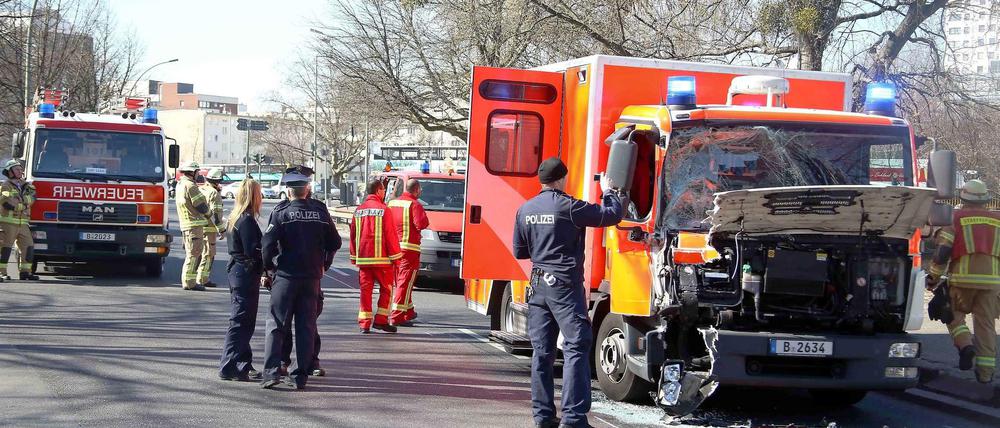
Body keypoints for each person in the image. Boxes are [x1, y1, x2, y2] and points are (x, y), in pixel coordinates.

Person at [513, 157, 624, 428]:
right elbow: (611, 215)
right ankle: (573, 418)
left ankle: (543, 417)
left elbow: (520, 251)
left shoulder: (525, 209)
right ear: (562, 178)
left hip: (538, 284)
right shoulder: (570, 207)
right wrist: (609, 191)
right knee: (576, 345)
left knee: (542, 351)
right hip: (563, 284)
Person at [260, 170, 340, 390]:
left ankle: (271, 373)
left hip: (286, 276)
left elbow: (267, 245)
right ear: (307, 190)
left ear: (288, 191)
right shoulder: (320, 212)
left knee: (276, 325)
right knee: (306, 327)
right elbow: (335, 242)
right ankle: (299, 377)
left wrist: (269, 268)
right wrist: (323, 265)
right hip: (312, 277)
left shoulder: (281, 212)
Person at [928, 179, 1000, 384]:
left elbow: (943, 252)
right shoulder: (998, 221)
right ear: (986, 199)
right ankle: (985, 375)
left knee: (953, 316)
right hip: (991, 284)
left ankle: (965, 345)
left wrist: (933, 278)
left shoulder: (955, 218)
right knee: (986, 326)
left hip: (961, 282)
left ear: (963, 197)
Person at [277, 166, 329, 377]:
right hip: (288, 274)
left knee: (309, 321)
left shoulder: (319, 208)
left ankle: (311, 361)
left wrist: (324, 265)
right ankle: (283, 360)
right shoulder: (280, 209)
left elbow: (330, 242)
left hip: (310, 274)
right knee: (285, 321)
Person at [219, 179, 264, 381]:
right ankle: (229, 365)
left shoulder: (235, 217)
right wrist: (266, 267)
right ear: (253, 196)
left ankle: (243, 363)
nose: (261, 197)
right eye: (260, 193)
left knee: (243, 321)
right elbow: (254, 251)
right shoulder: (246, 221)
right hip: (244, 274)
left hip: (237, 272)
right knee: (240, 322)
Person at [349, 178, 401, 333]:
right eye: (383, 190)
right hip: (382, 260)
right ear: (378, 190)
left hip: (364, 260)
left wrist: (354, 256)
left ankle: (364, 324)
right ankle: (381, 320)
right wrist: (396, 258)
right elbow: (390, 235)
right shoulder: (384, 210)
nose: (384, 192)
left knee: (365, 292)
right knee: (386, 290)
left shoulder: (358, 210)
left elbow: (353, 235)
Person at [387, 179, 430, 326]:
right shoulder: (415, 204)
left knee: (400, 281)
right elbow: (422, 224)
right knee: (404, 282)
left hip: (392, 248)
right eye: (420, 189)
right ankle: (397, 316)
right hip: (409, 249)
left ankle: (409, 311)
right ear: (416, 189)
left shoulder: (392, 203)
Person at [175, 161, 212, 291]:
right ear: (193, 172)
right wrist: (209, 213)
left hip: (186, 225)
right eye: (197, 172)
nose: (199, 174)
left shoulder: (180, 185)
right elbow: (200, 205)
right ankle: (189, 282)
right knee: (194, 253)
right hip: (194, 226)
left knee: (191, 253)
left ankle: (189, 280)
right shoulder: (190, 186)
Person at [0, 159, 39, 281]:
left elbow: (33, 198)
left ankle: (25, 272)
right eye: (17, 169)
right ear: (10, 172)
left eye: (21, 169)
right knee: (5, 247)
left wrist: (21, 202)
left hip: (23, 223)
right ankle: (2, 273)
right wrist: (24, 204)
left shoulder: (27, 185)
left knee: (28, 246)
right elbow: (7, 203)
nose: (20, 171)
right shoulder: (5, 185)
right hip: (8, 222)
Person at [198, 168, 225, 288]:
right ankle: (203, 279)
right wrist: (221, 229)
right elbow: (216, 214)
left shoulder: (200, 189)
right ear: (217, 181)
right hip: (209, 229)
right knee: (209, 255)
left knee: (199, 253)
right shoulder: (214, 193)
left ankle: (198, 278)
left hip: (198, 227)